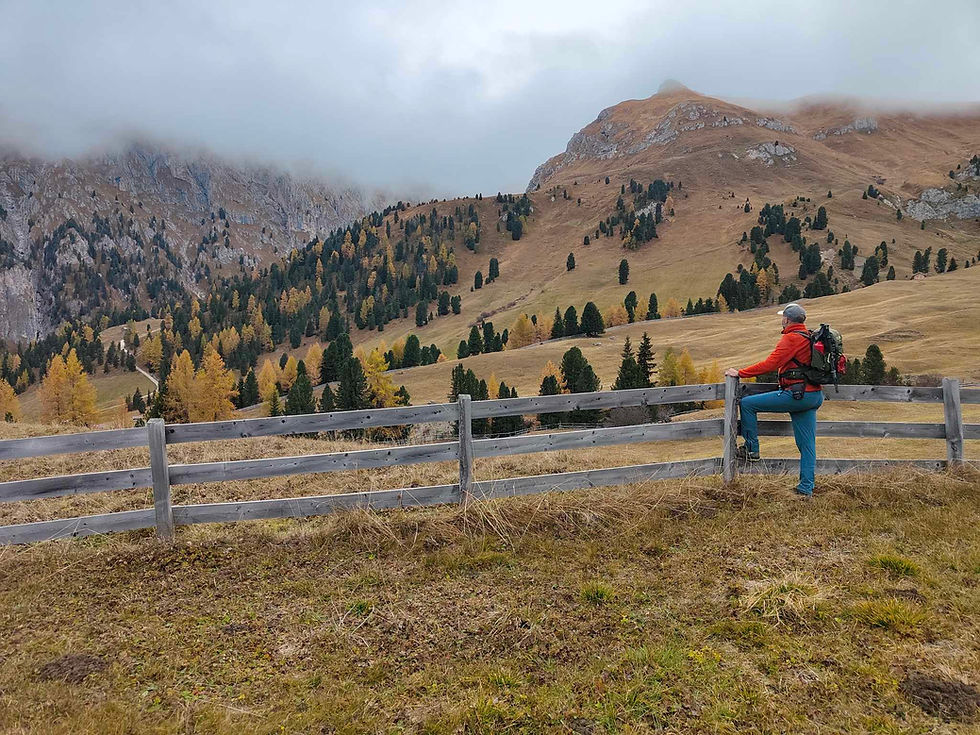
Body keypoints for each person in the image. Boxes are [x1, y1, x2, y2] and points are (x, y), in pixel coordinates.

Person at [724, 303, 824, 496]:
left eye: (783, 318)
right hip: (812, 395)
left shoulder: (792, 338)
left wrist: (740, 373)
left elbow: (772, 363)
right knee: (807, 445)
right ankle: (805, 488)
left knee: (747, 404)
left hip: (797, 395)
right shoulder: (808, 336)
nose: (782, 321)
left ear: (787, 320)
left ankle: (752, 449)